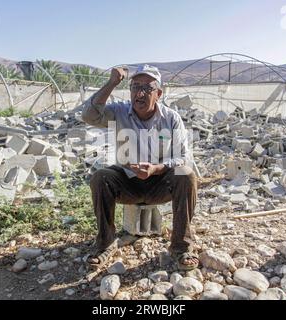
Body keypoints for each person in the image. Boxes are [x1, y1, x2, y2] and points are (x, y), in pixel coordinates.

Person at [81, 65, 199, 271]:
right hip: (128, 183)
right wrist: (111, 83)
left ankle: (181, 247)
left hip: (161, 183)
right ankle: (105, 244)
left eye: (147, 88)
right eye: (135, 87)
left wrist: (156, 168)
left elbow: (183, 157)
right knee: (101, 177)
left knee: (186, 174)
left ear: (159, 94)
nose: (140, 93)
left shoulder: (171, 118)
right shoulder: (118, 112)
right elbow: (89, 116)